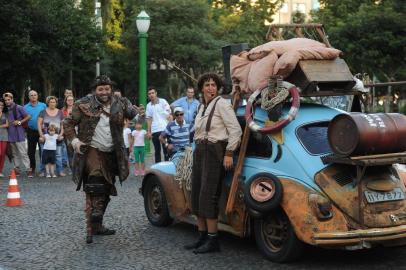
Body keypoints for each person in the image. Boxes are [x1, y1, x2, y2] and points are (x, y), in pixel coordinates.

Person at [63, 75, 138, 244]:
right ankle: (95, 213)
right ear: (94, 90)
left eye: (107, 89)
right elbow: (68, 123)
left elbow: (134, 115)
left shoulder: (121, 102)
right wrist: (75, 141)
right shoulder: (82, 104)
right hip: (91, 149)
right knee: (96, 178)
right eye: (100, 89)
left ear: (111, 89)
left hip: (113, 152)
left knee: (106, 189)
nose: (104, 92)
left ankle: (97, 225)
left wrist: (139, 112)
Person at [184, 73, 242, 254]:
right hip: (200, 151)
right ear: (201, 88)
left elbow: (236, 131)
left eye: (213, 85)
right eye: (207, 85)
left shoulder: (222, 104)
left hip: (215, 151)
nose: (210, 88)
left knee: (208, 196)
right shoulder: (202, 107)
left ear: (217, 88)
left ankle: (213, 240)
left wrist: (229, 153)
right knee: (196, 196)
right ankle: (201, 237)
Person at [3, 92, 31, 176]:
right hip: (10, 135)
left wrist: (19, 122)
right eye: (5, 100)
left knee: (23, 153)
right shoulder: (5, 109)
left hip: (19, 133)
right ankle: (17, 169)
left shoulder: (18, 107)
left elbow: (28, 116)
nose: (7, 101)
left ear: (12, 99)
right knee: (14, 154)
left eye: (9, 99)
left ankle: (28, 169)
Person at [37, 96, 66, 177]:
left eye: (54, 102)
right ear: (48, 103)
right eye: (51, 102)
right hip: (46, 137)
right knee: (44, 155)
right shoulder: (42, 112)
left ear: (56, 103)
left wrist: (61, 134)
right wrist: (41, 135)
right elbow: (39, 124)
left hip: (57, 137)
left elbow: (63, 124)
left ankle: (59, 171)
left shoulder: (60, 112)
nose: (52, 103)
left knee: (58, 155)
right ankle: (43, 171)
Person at [24, 90, 47, 177]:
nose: (33, 96)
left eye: (35, 95)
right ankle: (32, 168)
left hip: (42, 130)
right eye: (31, 95)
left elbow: (47, 115)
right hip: (31, 131)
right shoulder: (25, 107)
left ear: (37, 96)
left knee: (43, 150)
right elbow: (23, 119)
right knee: (31, 151)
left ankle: (43, 169)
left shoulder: (43, 105)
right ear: (29, 97)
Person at [146, 87, 171, 163]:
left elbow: (168, 114)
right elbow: (149, 119)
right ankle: (158, 169)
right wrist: (149, 131)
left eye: (153, 93)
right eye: (149, 94)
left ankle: (167, 167)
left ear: (156, 93)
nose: (151, 95)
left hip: (164, 130)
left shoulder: (163, 101)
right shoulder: (148, 105)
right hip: (154, 130)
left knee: (166, 149)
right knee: (157, 151)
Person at [0, 98, 9, 177]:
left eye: (2, 105)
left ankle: (0, 171)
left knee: (2, 154)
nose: (1, 106)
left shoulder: (5, 114)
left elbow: (7, 125)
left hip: (4, 135)